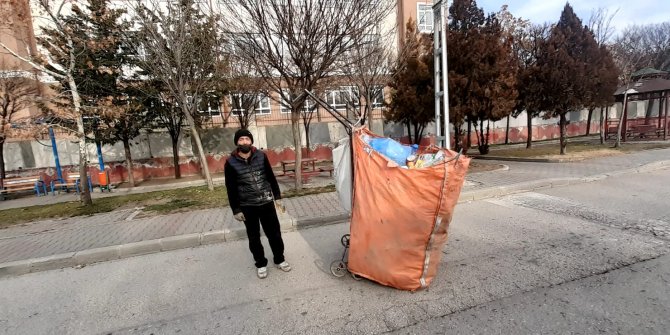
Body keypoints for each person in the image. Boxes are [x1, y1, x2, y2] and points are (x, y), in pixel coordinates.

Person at [224, 129, 291, 279]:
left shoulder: (261, 156)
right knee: (254, 237)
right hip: (247, 206)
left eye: (247, 139)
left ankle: (279, 259)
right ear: (237, 142)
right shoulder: (230, 162)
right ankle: (261, 263)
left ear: (251, 141)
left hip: (266, 202)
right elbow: (230, 188)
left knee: (274, 234)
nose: (244, 142)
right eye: (241, 140)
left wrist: (277, 197)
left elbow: (271, 177)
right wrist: (236, 209)